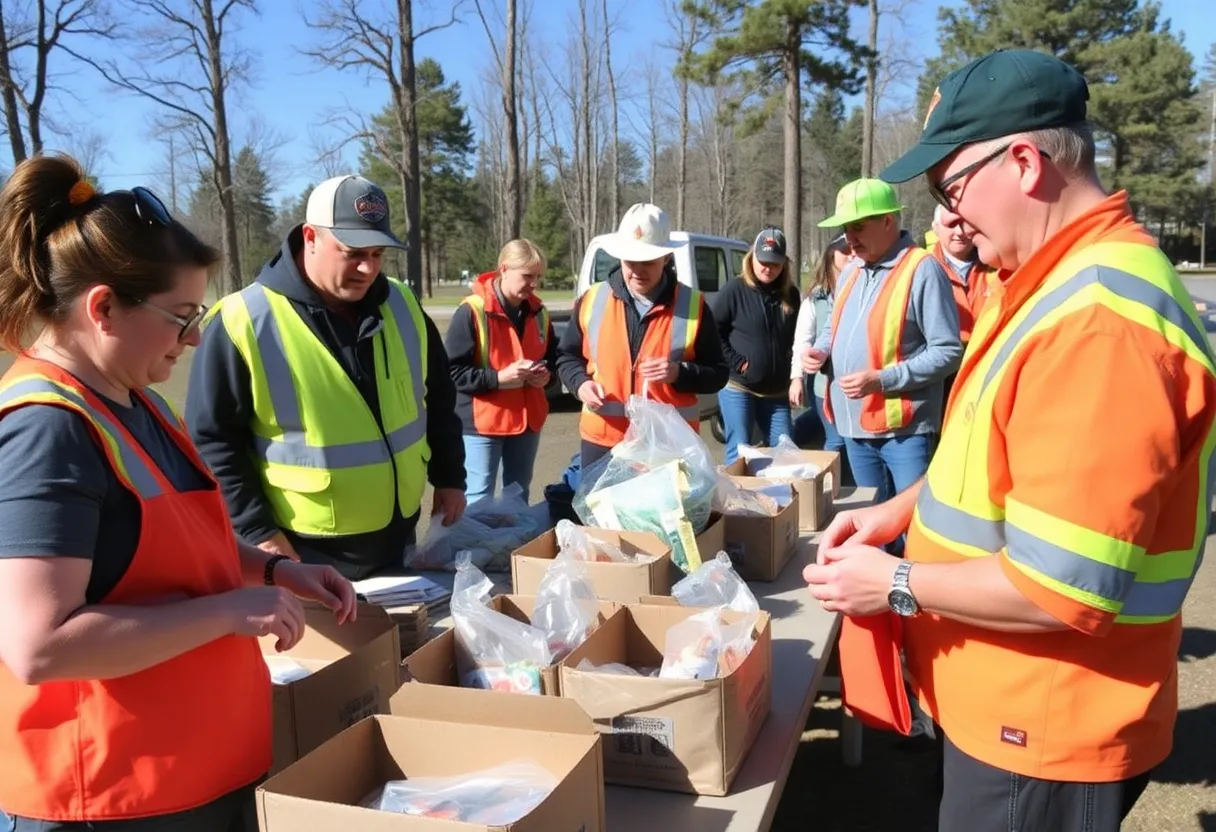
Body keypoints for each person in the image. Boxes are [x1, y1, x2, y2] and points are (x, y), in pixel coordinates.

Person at [804, 49, 1216, 832]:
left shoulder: (1098, 323)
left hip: (1048, 724)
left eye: (950, 187)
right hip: (1012, 706)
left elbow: (1059, 584)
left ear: (1024, 162)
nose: (948, 216)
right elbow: (1007, 464)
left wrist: (892, 584)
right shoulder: (1047, 281)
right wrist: (901, 515)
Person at [0, 154, 357, 831]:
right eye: (181, 316)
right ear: (103, 307)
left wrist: (279, 569)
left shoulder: (135, 400)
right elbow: (38, 645)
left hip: (192, 776)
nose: (194, 339)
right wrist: (229, 612)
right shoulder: (47, 429)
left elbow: (180, 548)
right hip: (111, 798)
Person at [186, 175, 466, 581]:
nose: (368, 268)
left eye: (377, 253)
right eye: (352, 252)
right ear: (310, 237)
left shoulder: (402, 305)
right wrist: (257, 530)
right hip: (303, 551)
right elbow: (211, 440)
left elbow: (438, 398)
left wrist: (450, 477)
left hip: (398, 536)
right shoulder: (242, 320)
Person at [804, 178, 962, 505]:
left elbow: (948, 351)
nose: (849, 237)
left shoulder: (923, 269)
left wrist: (882, 379)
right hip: (854, 426)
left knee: (908, 522)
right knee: (871, 517)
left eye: (858, 227)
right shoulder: (851, 270)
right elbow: (834, 326)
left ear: (888, 221)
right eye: (846, 228)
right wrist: (820, 350)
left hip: (903, 432)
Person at [556, 203, 728, 470]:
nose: (637, 270)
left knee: (664, 514)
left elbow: (718, 374)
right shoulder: (592, 299)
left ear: (666, 258)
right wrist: (580, 384)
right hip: (603, 440)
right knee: (600, 512)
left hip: (666, 446)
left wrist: (678, 373)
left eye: (647, 262)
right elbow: (567, 357)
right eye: (629, 261)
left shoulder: (693, 305)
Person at [445, 239, 556, 504]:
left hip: (527, 422)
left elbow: (553, 359)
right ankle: (471, 547)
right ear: (504, 269)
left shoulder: (539, 312)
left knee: (517, 496)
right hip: (482, 425)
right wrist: (499, 378)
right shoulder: (472, 311)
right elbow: (450, 373)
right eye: (527, 276)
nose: (534, 284)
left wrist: (546, 376)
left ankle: (513, 547)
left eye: (538, 277)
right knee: (478, 498)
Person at [713, 227, 801, 464]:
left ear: (784, 264)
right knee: (740, 449)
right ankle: (738, 498)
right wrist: (737, 362)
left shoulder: (791, 295)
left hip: (777, 391)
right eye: (762, 261)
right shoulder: (735, 290)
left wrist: (796, 375)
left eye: (774, 263)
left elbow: (799, 338)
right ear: (752, 257)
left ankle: (781, 498)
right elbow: (713, 331)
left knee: (786, 450)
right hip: (739, 387)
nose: (767, 268)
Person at [927, 203, 997, 404]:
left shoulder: (996, 264)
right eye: (951, 225)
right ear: (935, 228)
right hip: (943, 377)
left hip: (990, 368)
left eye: (965, 224)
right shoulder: (923, 269)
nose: (959, 232)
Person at [790, 235, 851, 465]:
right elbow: (802, 342)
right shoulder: (815, 299)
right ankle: (829, 489)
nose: (851, 254)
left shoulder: (865, 288)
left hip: (857, 385)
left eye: (853, 249)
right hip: (824, 386)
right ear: (831, 254)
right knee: (836, 441)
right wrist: (797, 378)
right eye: (844, 250)